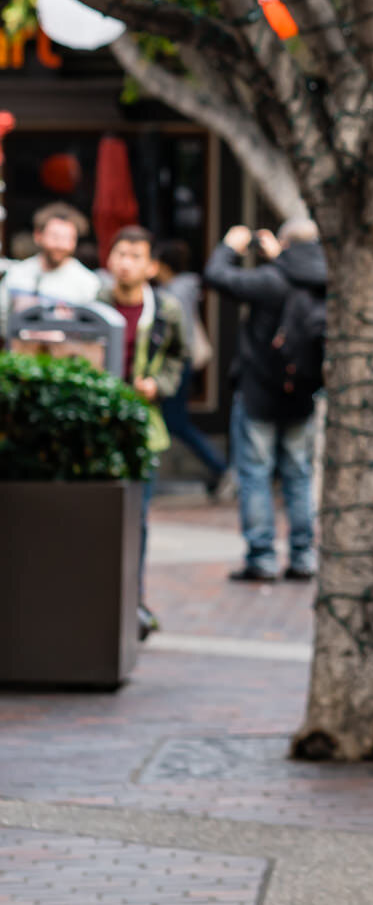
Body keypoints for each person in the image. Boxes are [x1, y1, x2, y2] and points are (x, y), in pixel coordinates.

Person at [203, 220, 326, 584]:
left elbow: (218, 277)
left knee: (255, 475)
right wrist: (281, 256)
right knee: (299, 475)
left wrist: (231, 245)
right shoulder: (324, 279)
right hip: (303, 393)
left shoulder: (272, 280)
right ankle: (303, 555)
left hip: (259, 392)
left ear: (284, 242)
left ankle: (263, 557)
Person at [98, 226, 189, 640]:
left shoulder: (167, 310)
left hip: (142, 425)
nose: (126, 263)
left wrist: (161, 385)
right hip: (97, 425)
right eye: (120, 254)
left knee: (137, 517)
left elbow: (178, 356)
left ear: (151, 266)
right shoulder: (95, 305)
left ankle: (132, 602)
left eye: (136, 256)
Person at [152, 239, 227, 495]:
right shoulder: (185, 287)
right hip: (183, 362)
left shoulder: (172, 293)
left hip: (177, 362)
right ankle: (220, 466)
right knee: (175, 421)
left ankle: (220, 466)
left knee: (176, 422)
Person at [2, 203, 101, 318]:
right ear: (38, 236)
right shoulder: (17, 273)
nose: (60, 245)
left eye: (67, 238)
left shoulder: (87, 283)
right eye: (55, 237)